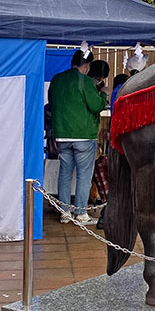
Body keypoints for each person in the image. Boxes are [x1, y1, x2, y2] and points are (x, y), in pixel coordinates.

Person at [48, 48, 108, 225]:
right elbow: (97, 106)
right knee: (83, 175)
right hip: (83, 136)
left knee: (65, 174)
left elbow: (51, 102)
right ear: (87, 66)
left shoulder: (57, 79)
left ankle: (64, 212)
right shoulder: (85, 81)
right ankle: (81, 214)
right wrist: (103, 93)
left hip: (61, 135)